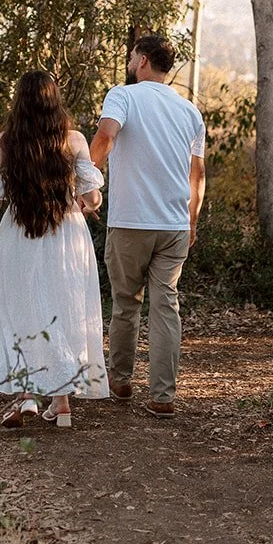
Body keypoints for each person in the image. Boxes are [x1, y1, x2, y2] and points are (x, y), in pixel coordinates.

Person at [0, 71, 108, 429]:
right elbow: (92, 196)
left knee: (19, 310)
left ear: (20, 101)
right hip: (67, 237)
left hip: (19, 236)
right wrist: (85, 201)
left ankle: (27, 396)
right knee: (63, 311)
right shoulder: (74, 140)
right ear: (54, 101)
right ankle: (61, 403)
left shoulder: (6, 141)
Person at [89, 34, 206, 418]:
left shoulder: (122, 96)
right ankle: (162, 397)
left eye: (131, 57)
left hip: (130, 222)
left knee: (125, 304)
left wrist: (85, 183)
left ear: (141, 61)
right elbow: (197, 175)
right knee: (166, 306)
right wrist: (190, 220)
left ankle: (121, 381)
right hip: (173, 224)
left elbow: (106, 135)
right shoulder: (190, 111)